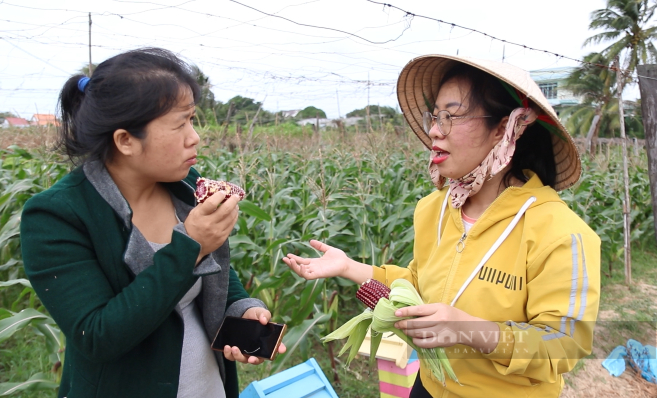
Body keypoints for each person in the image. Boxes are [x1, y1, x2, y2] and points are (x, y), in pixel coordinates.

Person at [283, 55, 600, 398]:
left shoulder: (562, 233)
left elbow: (564, 345)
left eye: (451, 116)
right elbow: (419, 284)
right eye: (435, 116)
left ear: (505, 128)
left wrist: (468, 329)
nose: (434, 129)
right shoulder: (433, 208)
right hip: (429, 387)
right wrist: (349, 267)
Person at [20, 48, 284, 398]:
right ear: (125, 140)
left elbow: (215, 270)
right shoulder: (57, 216)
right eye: (180, 124)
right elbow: (97, 336)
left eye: (193, 119)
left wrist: (243, 309)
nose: (195, 137)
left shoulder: (187, 186)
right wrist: (190, 246)